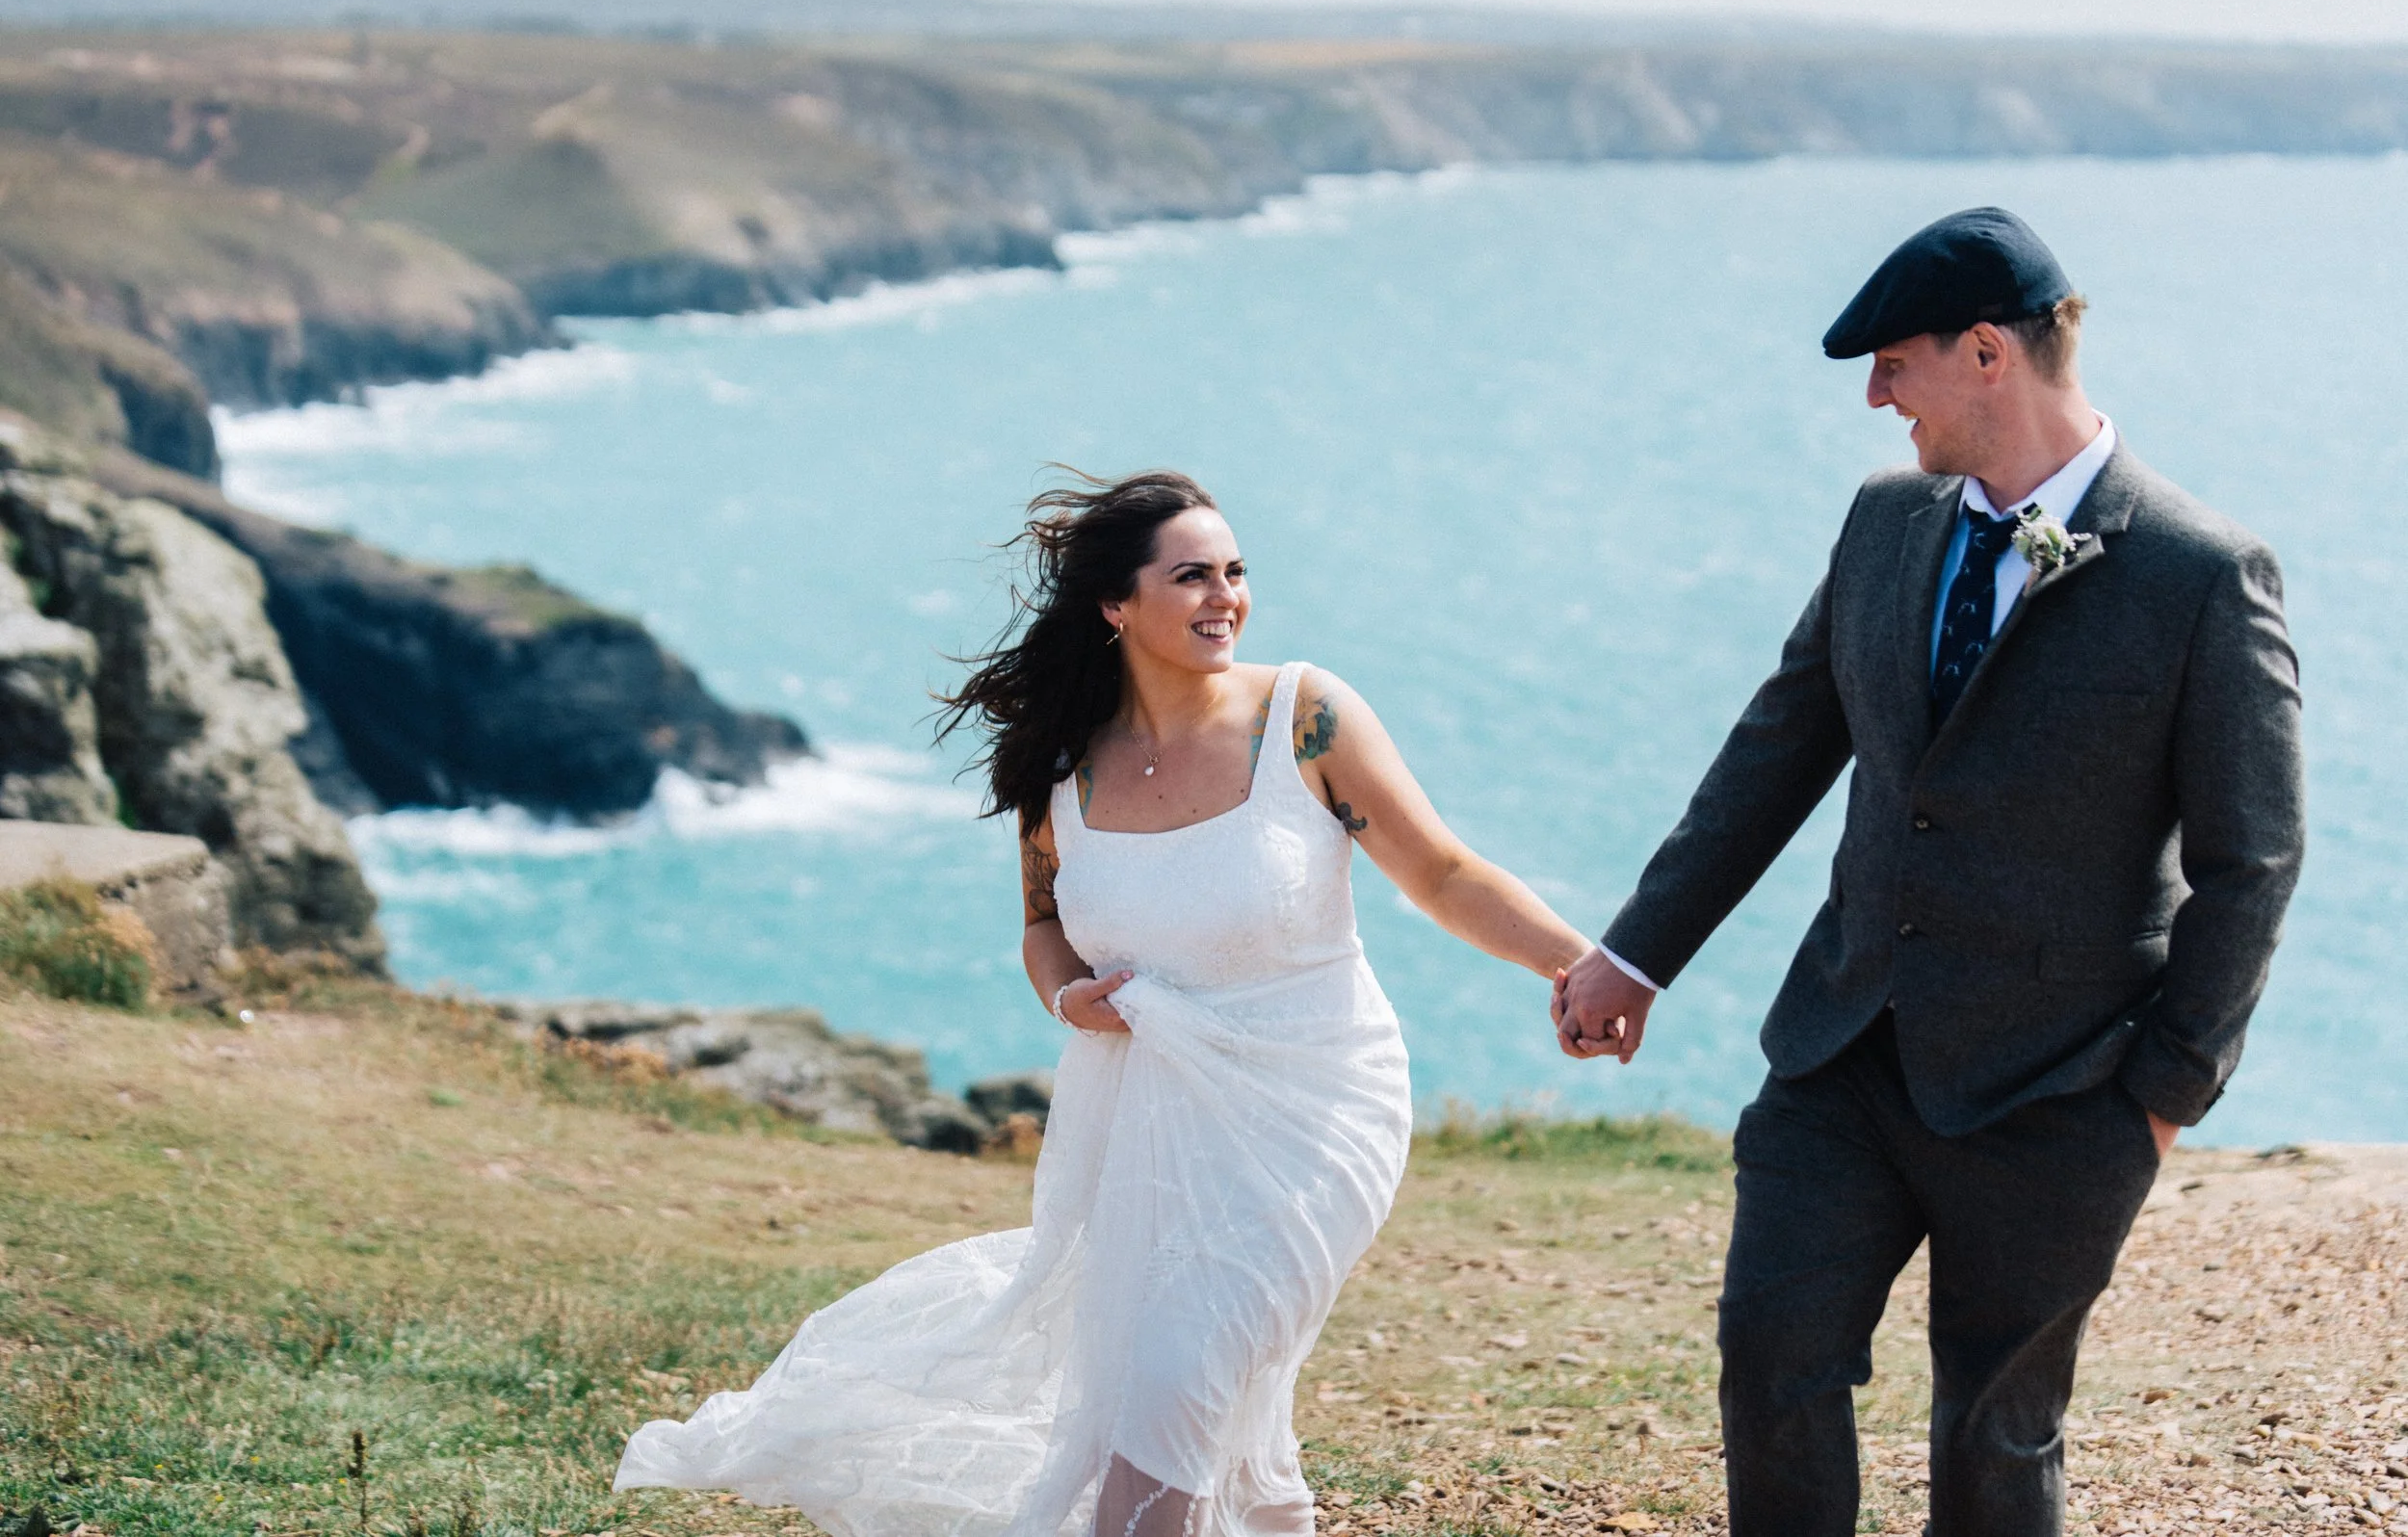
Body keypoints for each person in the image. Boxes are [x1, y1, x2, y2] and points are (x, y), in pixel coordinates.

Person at [615, 470, 1596, 1537]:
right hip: (1148, 1118)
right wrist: (1065, 996)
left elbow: (1442, 872)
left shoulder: (1303, 716)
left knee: (1180, 1363)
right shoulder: (1061, 766)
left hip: (1316, 1106)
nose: (1225, 595)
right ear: (1115, 605)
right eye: (1191, 575)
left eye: (1234, 570)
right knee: (1175, 1378)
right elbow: (1042, 923)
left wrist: (1578, 961)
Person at [1552, 207, 2305, 1536]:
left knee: (1993, 1437)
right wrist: (1635, 949)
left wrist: (2163, 1094)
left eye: (1894, 361)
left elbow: (2254, 858)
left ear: (1984, 353)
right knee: (1770, 1360)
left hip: (2059, 1089)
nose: (1875, 394)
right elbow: (1776, 749)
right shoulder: (1885, 523)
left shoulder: (2201, 573)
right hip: (1841, 1052)